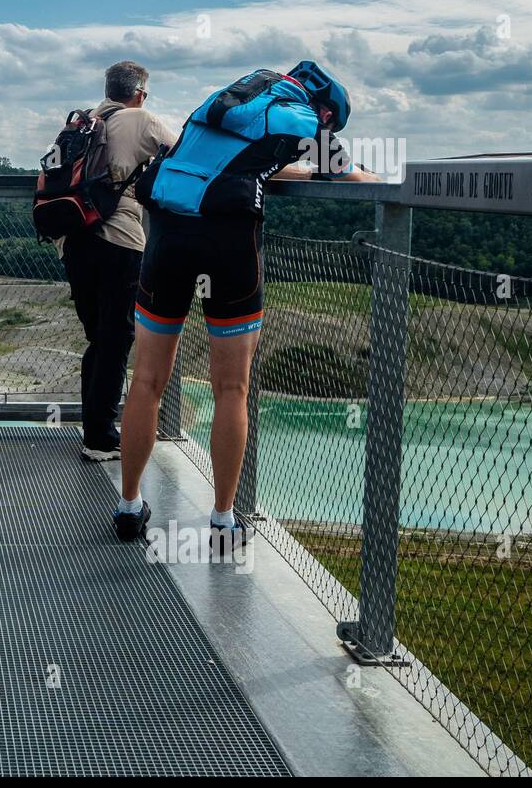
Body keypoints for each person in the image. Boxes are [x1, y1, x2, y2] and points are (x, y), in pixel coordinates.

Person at [115, 61, 379, 545]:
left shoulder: (228, 102)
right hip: (229, 242)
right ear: (324, 109)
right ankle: (222, 519)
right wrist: (374, 175)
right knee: (231, 388)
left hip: (168, 233)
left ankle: (129, 507)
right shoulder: (301, 119)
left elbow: (236, 157)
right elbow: (348, 174)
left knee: (148, 379)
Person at [63, 61, 176, 461]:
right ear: (140, 93)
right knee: (116, 340)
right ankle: (100, 438)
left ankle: (94, 427)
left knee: (99, 338)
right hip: (120, 239)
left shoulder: (84, 120)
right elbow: (181, 157)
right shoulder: (141, 119)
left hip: (74, 240)